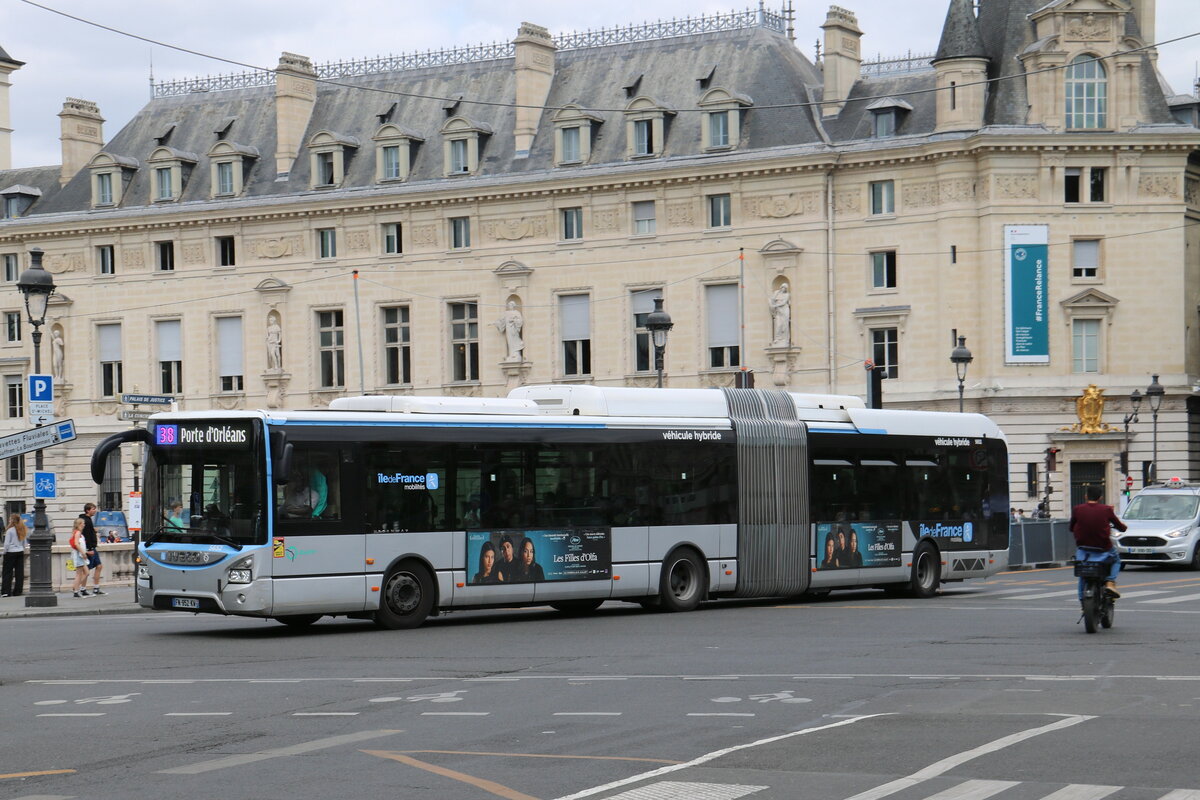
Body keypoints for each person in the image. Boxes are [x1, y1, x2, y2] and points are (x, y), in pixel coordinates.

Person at [1069, 484, 1127, 599]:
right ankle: (1110, 582)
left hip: (1083, 548)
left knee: (1083, 575)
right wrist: (1124, 527)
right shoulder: (1106, 509)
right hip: (1103, 547)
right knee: (1116, 561)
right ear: (1100, 497)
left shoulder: (1077, 509)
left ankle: (1082, 602)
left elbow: (1071, 527)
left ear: (1086, 496)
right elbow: (1120, 527)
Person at [79, 503, 105, 595]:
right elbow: (86, 536)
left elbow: (88, 533)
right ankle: (82, 589)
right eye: (93, 509)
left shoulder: (87, 519)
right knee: (87, 570)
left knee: (99, 566)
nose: (95, 510)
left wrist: (93, 530)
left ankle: (96, 588)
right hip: (90, 548)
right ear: (87, 510)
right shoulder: (86, 521)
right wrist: (88, 549)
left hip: (92, 547)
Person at [2, 513, 28, 597]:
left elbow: (6, 544)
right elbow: (25, 544)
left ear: (12, 521)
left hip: (10, 552)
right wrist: (21, 549)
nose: (9, 521)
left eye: (10, 519)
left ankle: (6, 591)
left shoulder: (10, 531)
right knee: (19, 572)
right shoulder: (23, 529)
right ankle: (18, 591)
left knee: (7, 573)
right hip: (20, 552)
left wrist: (4, 552)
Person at [68, 517, 91, 598]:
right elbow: (76, 544)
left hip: (80, 554)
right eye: (83, 523)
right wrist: (83, 553)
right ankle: (76, 590)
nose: (84, 525)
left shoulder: (77, 532)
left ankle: (76, 588)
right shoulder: (78, 533)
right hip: (79, 555)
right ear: (79, 524)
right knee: (79, 574)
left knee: (86, 572)